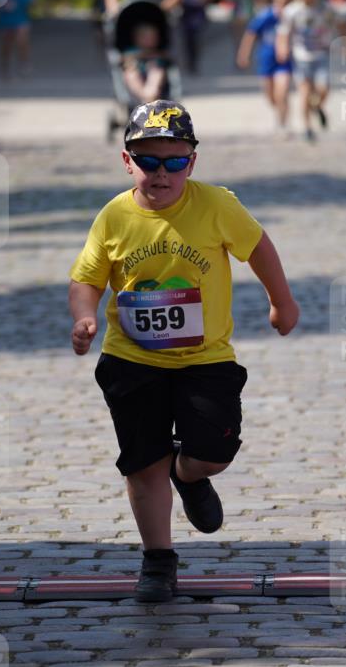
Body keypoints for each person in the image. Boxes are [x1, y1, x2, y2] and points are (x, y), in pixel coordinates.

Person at [68, 99, 300, 603]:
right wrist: (84, 316)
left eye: (174, 161)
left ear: (191, 163)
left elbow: (258, 246)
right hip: (131, 360)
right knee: (141, 462)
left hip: (205, 358)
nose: (161, 172)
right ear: (127, 161)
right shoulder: (113, 217)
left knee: (212, 451)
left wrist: (281, 301)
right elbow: (85, 279)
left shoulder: (216, 205)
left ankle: (189, 474)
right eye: (149, 161)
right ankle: (158, 560)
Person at [276, 0, 346, 143]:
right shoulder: (291, 10)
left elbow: (341, 24)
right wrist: (283, 48)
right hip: (301, 56)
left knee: (324, 88)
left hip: (322, 53)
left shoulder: (325, 7)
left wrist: (345, 44)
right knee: (304, 91)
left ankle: (317, 106)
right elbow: (284, 32)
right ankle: (307, 127)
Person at [236, 0, 293, 137]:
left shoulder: (293, 14)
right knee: (271, 96)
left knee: (282, 91)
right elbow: (251, 34)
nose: (284, 2)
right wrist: (244, 54)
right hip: (267, 59)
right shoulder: (266, 15)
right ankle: (279, 113)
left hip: (285, 61)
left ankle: (283, 124)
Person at [0, 0, 33, 80]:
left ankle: (24, 64)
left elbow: (30, 3)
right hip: (6, 23)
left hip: (20, 21)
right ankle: (5, 68)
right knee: (7, 46)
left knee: (21, 43)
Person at [121, 23, 170, 103]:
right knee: (130, 74)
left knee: (157, 72)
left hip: (154, 78)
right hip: (137, 74)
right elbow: (124, 59)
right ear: (137, 38)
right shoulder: (132, 50)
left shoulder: (158, 52)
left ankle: (150, 94)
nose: (150, 40)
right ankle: (145, 96)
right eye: (146, 38)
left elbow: (166, 59)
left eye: (153, 37)